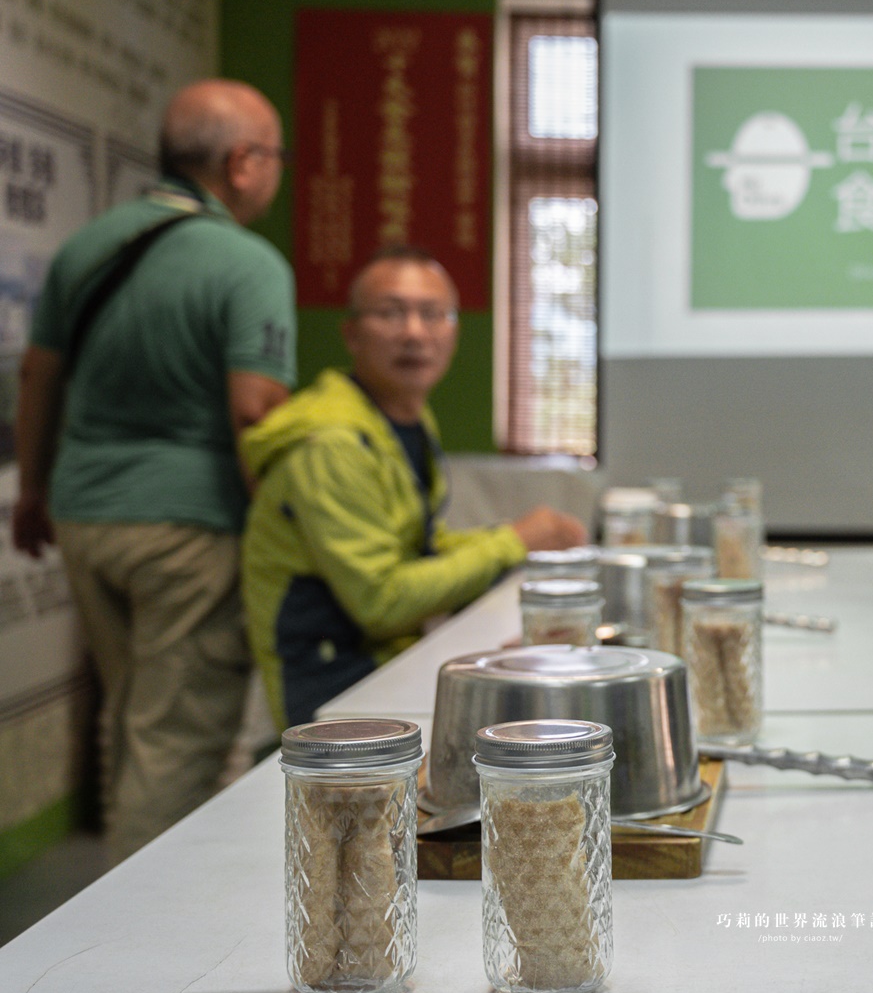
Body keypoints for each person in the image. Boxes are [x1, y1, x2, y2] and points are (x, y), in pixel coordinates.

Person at [9, 79, 296, 861]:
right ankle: (137, 947)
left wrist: (32, 490)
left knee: (129, 711)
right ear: (241, 163)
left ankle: (120, 903)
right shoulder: (248, 264)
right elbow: (253, 414)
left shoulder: (86, 247)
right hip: (189, 529)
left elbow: (38, 377)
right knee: (174, 739)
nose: (277, 171)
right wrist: (284, 534)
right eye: (273, 155)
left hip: (84, 517)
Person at [241, 246, 587, 728]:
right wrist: (514, 541)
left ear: (454, 332)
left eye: (433, 315)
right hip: (328, 685)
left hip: (387, 661)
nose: (414, 333)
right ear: (352, 334)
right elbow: (381, 602)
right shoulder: (332, 444)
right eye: (390, 313)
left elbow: (416, 544)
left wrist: (513, 537)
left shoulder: (402, 417)